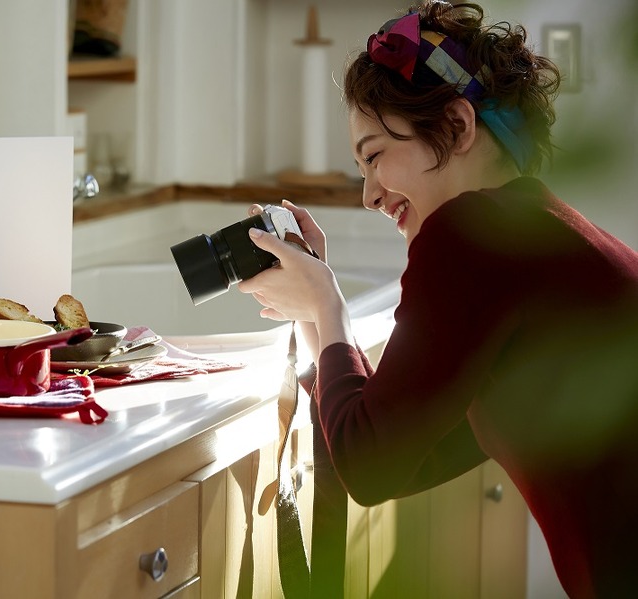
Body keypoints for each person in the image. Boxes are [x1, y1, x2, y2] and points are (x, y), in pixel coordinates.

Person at [237, 2, 638, 597]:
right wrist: (315, 315)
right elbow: (403, 457)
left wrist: (327, 307)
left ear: (456, 125)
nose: (370, 195)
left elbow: (372, 467)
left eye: (373, 156)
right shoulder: (542, 230)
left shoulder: (471, 235)